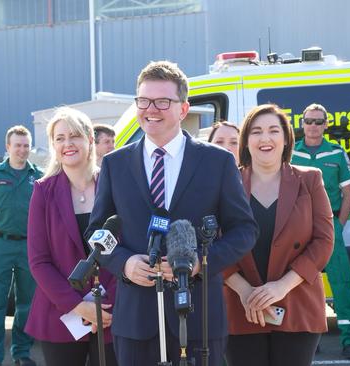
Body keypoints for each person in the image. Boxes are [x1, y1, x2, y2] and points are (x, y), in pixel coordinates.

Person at [87, 60, 258, 366]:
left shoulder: (217, 162)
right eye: (143, 101)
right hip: (136, 320)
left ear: (183, 109)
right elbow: (97, 232)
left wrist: (198, 263)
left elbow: (244, 230)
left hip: (198, 320)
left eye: (163, 101)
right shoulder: (115, 164)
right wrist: (124, 263)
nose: (151, 109)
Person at [223, 104, 334, 366]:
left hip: (297, 304)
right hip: (241, 307)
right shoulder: (226, 184)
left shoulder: (310, 180)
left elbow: (324, 241)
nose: (265, 138)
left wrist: (282, 286)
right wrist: (247, 292)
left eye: (274, 130)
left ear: (286, 140)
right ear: (246, 141)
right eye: (256, 131)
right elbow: (214, 244)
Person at [25, 107, 118, 366]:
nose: (68, 144)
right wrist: (78, 306)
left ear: (90, 139)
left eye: (74, 136)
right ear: (53, 145)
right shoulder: (43, 192)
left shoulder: (115, 187)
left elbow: (129, 246)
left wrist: (105, 304)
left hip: (112, 313)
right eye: (60, 138)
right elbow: (38, 261)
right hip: (61, 314)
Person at [290, 103, 350, 359]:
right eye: (309, 121)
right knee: (299, 282)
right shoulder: (290, 153)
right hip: (298, 228)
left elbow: (348, 194)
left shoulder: (336, 153)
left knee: (342, 282)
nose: (313, 126)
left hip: (328, 224)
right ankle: (307, 337)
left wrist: (337, 227)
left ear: (326, 125)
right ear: (302, 123)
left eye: (318, 122)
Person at [0, 126, 43, 366]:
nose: (22, 149)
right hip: (0, 243)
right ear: (8, 147)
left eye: (26, 145)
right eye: (17, 145)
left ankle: (21, 352)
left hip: (29, 246)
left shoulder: (38, 176)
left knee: (27, 302)